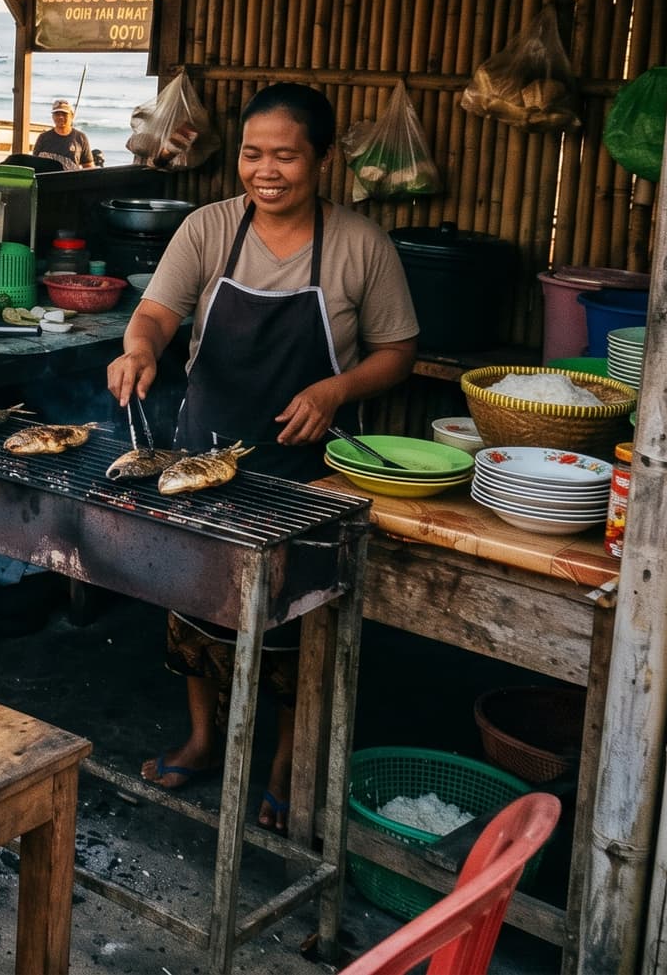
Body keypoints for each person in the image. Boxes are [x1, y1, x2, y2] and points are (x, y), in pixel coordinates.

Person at [107, 83, 419, 829]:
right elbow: (156, 312)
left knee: (297, 621)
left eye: (286, 154)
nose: (266, 170)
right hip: (203, 449)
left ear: (323, 158)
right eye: (253, 153)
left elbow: (399, 352)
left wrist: (337, 390)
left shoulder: (358, 245)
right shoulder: (210, 228)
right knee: (193, 599)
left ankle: (285, 758)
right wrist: (139, 349)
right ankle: (204, 736)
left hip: (305, 473)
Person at [34, 99, 92, 169]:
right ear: (53, 116)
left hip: (70, 178)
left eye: (64, 114)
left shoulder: (80, 137)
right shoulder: (43, 137)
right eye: (57, 114)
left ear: (72, 116)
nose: (60, 117)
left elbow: (88, 166)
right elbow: (34, 163)